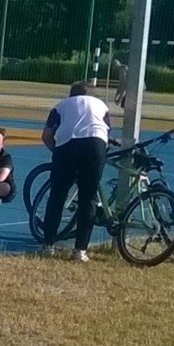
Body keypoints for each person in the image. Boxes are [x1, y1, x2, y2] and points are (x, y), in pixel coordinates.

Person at [39, 81, 113, 262]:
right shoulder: (101, 105)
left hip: (68, 145)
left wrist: (56, 152)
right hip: (95, 144)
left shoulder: (60, 106)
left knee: (57, 195)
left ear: (70, 94)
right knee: (88, 198)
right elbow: (106, 133)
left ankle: (48, 245)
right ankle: (80, 250)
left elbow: (46, 136)